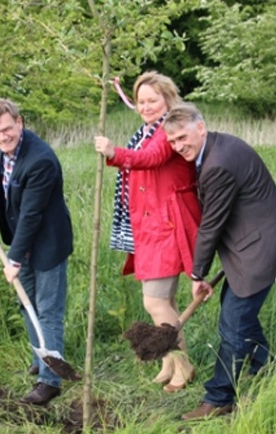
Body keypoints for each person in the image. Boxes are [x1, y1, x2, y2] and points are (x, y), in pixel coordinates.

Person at [162, 102, 276, 421]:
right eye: (173, 142)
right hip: (251, 241)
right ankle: (268, 365)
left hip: (260, 246)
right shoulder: (215, 147)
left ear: (201, 127)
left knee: (233, 323)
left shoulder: (219, 164)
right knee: (239, 315)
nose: (179, 146)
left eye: (183, 137)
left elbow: (212, 223)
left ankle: (219, 398)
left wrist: (198, 272)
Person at [94, 71, 201, 393]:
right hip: (152, 224)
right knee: (163, 300)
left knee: (155, 302)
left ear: (167, 99)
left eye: (152, 100)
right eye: (141, 101)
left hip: (168, 223)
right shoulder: (146, 131)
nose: (146, 106)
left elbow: (151, 159)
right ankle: (169, 362)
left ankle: (183, 365)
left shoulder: (169, 131)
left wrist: (114, 152)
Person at [0, 97, 73, 406]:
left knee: (47, 311)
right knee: (27, 306)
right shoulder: (8, 150)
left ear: (20, 123)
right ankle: (40, 359)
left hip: (47, 245)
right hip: (23, 243)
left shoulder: (41, 160)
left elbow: (31, 215)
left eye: (7, 130)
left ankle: (51, 381)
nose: (2, 137)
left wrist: (13, 259)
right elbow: (5, 181)